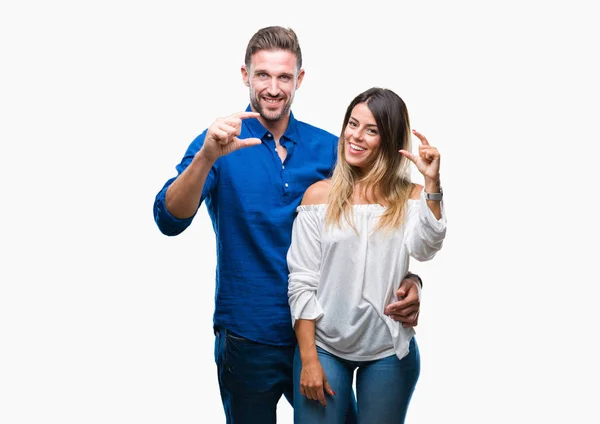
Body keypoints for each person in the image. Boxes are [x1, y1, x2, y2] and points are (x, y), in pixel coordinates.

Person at [153, 26, 423, 424]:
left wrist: (413, 281)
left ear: (299, 80)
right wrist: (206, 157)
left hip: (325, 338)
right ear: (246, 76)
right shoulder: (218, 143)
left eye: (283, 76)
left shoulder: (329, 148)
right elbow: (168, 220)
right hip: (248, 335)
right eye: (262, 75)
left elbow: (381, 225)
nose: (273, 87)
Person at [287, 87, 446, 423]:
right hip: (326, 345)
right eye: (352, 124)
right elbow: (301, 281)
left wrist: (432, 183)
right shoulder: (320, 196)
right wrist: (308, 357)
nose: (355, 136)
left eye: (370, 130)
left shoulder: (411, 198)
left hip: (387, 348)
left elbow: (426, 247)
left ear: (388, 140)